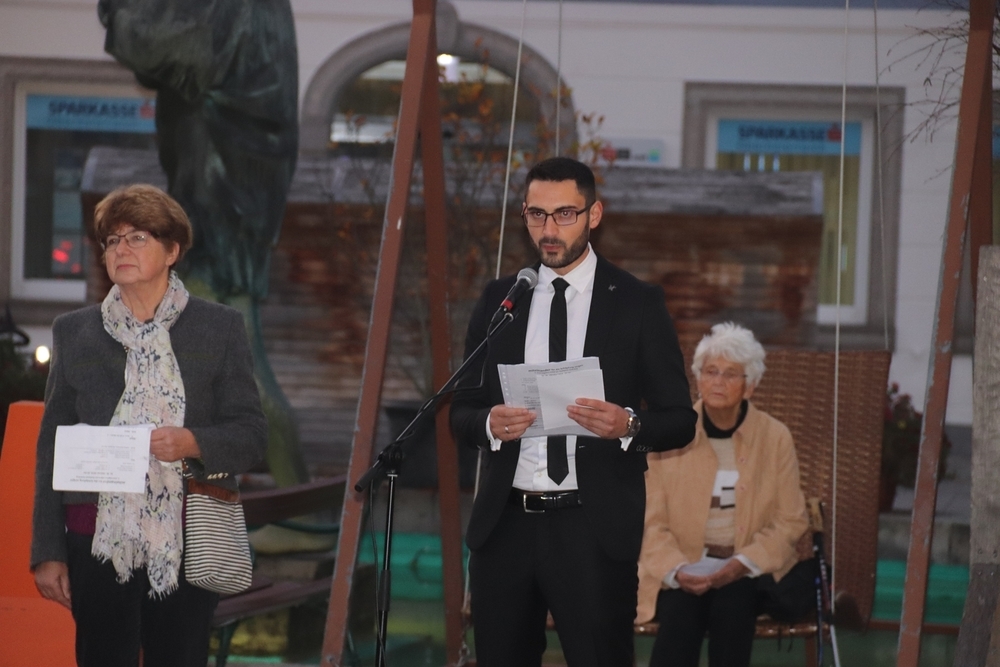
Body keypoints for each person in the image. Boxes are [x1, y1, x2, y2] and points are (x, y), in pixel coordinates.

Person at [450, 157, 697, 667]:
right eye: (536, 214)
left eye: (564, 214)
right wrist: (489, 424)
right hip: (505, 527)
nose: (549, 229)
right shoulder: (502, 301)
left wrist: (628, 425)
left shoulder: (637, 303)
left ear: (594, 215)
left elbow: (679, 419)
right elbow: (461, 411)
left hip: (593, 527)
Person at [31, 184, 268, 667]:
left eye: (137, 237)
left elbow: (251, 435)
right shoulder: (74, 332)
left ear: (172, 250)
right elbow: (51, 447)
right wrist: (48, 550)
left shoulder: (219, 327)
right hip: (94, 540)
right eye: (112, 240)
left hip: (186, 538)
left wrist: (193, 442)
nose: (121, 249)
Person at [636, 322, 809, 667]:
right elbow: (649, 521)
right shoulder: (669, 434)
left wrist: (740, 564)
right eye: (711, 371)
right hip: (678, 569)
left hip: (746, 569)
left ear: (750, 386)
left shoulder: (775, 437)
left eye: (731, 374)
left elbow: (791, 520)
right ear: (698, 379)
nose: (718, 381)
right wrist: (678, 570)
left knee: (734, 605)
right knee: (682, 613)